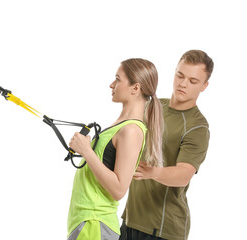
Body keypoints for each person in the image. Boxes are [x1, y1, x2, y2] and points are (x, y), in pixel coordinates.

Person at [120, 50, 214, 240]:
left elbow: (184, 174)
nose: (183, 84)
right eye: (180, 75)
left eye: (193, 81)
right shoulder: (152, 106)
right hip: (130, 218)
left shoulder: (197, 127)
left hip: (163, 229)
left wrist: (151, 172)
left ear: (204, 86)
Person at [66, 58, 164, 240]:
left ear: (136, 88)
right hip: (87, 222)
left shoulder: (132, 131)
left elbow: (119, 189)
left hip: (95, 223)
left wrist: (87, 151)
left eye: (118, 79)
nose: (112, 84)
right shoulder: (121, 126)